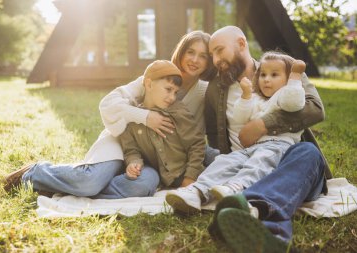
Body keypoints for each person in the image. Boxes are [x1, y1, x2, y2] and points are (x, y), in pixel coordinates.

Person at [165, 26, 330, 252]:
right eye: (212, 54)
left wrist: (263, 124)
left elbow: (315, 108)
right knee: (223, 161)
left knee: (308, 153)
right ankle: (267, 230)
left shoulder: (281, 67)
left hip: (288, 165)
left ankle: (243, 207)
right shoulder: (215, 89)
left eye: (220, 50)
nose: (215, 60)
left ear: (242, 44)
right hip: (242, 166)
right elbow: (213, 136)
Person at [1, 31, 217, 197]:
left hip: (155, 161)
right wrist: (146, 117)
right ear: (181, 52)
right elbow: (108, 104)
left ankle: (67, 188)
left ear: (209, 62)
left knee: (142, 185)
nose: (195, 60)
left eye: (203, 56)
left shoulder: (204, 91)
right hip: (122, 140)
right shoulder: (157, 77)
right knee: (90, 182)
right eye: (191, 52)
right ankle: (39, 172)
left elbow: (197, 139)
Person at [167, 51, 307, 207]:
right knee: (225, 161)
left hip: (278, 146)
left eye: (274, 75)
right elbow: (240, 117)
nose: (267, 80)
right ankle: (197, 191)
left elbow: (293, 102)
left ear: (287, 80)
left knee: (259, 163)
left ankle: (237, 187)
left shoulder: (284, 96)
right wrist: (246, 96)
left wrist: (295, 77)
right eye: (263, 75)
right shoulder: (257, 98)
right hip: (251, 147)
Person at [118, 60, 206, 190]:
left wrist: (190, 178)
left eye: (175, 92)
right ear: (149, 84)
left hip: (187, 171)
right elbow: (131, 150)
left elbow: (196, 144)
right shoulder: (133, 118)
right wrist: (133, 163)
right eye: (168, 89)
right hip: (163, 178)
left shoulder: (177, 111)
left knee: (220, 163)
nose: (172, 97)